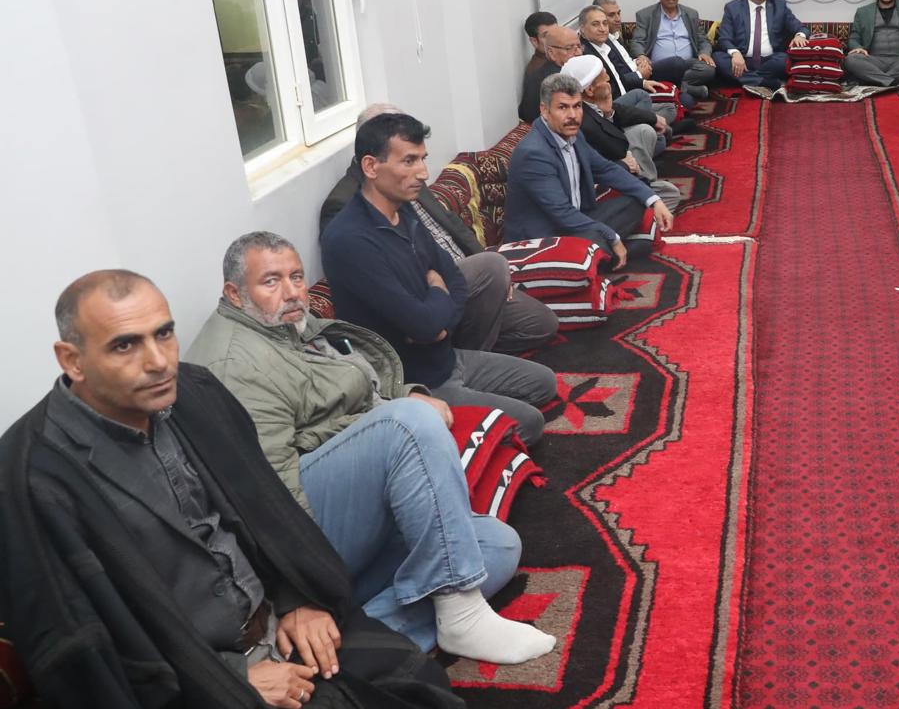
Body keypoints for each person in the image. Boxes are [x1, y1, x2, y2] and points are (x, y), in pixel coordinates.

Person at [0, 270, 490, 709]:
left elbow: (267, 514)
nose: (158, 361)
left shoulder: (195, 393)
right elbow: (82, 652)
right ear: (71, 359)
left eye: (164, 333)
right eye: (124, 345)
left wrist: (296, 598)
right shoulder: (33, 475)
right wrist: (233, 683)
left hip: (280, 626)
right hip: (197, 690)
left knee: (424, 693)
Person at [188, 233, 555, 663]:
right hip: (301, 532)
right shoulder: (236, 365)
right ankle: (460, 611)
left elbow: (347, 385)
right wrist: (302, 593)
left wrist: (406, 393)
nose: (291, 292)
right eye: (271, 281)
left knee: (497, 545)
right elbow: (266, 494)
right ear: (234, 293)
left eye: (297, 277)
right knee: (407, 425)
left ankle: (356, 647)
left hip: (350, 506)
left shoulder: (283, 326)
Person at [320, 112, 557, 442]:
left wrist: (439, 321)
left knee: (545, 383)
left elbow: (452, 278)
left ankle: (472, 409)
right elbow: (424, 323)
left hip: (447, 356)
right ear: (371, 167)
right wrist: (435, 297)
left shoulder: (404, 209)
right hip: (417, 380)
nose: (423, 172)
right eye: (409, 161)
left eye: (423, 159)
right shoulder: (349, 239)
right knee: (530, 423)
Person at [503, 72, 675, 260]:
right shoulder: (534, 153)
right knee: (601, 237)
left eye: (577, 106)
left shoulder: (573, 135)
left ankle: (601, 253)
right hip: (545, 236)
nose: (572, 115)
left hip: (576, 221)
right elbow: (562, 214)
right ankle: (603, 252)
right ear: (545, 111)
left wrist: (653, 199)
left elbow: (606, 169)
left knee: (635, 202)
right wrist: (612, 236)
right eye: (563, 107)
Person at [566, 53, 682, 211]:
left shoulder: (589, 105)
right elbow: (609, 156)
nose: (609, 80)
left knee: (645, 131)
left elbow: (618, 113)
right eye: (605, 79)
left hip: (614, 167)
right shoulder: (581, 121)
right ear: (590, 90)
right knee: (669, 194)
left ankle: (645, 191)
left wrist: (608, 113)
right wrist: (624, 164)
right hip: (600, 188)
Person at [714, 0, 813, 92]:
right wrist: (735, 53)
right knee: (718, 58)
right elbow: (724, 38)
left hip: (771, 61)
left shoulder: (779, 5)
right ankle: (767, 83)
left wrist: (800, 35)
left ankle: (746, 79)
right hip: (742, 60)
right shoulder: (733, 8)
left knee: (785, 60)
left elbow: (801, 28)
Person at [629, 0, 716, 105]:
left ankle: (675, 86)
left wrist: (704, 53)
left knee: (709, 69)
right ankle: (687, 89)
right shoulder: (646, 15)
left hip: (687, 63)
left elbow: (702, 39)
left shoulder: (691, 14)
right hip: (660, 66)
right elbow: (637, 41)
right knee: (675, 63)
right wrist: (641, 55)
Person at [578, 4, 672, 120]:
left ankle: (652, 124)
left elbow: (619, 79)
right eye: (595, 24)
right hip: (613, 109)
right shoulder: (587, 56)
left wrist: (642, 82)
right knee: (642, 96)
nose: (602, 29)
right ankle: (648, 123)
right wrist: (639, 76)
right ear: (582, 29)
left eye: (605, 23)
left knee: (670, 107)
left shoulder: (604, 45)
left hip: (626, 96)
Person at [519, 23, 584, 123]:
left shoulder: (570, 70)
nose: (578, 53)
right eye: (569, 48)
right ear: (551, 52)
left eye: (579, 46)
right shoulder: (552, 81)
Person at [523, 10, 557, 77]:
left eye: (556, 32)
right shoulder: (538, 71)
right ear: (534, 41)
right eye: (547, 35)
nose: (555, 38)